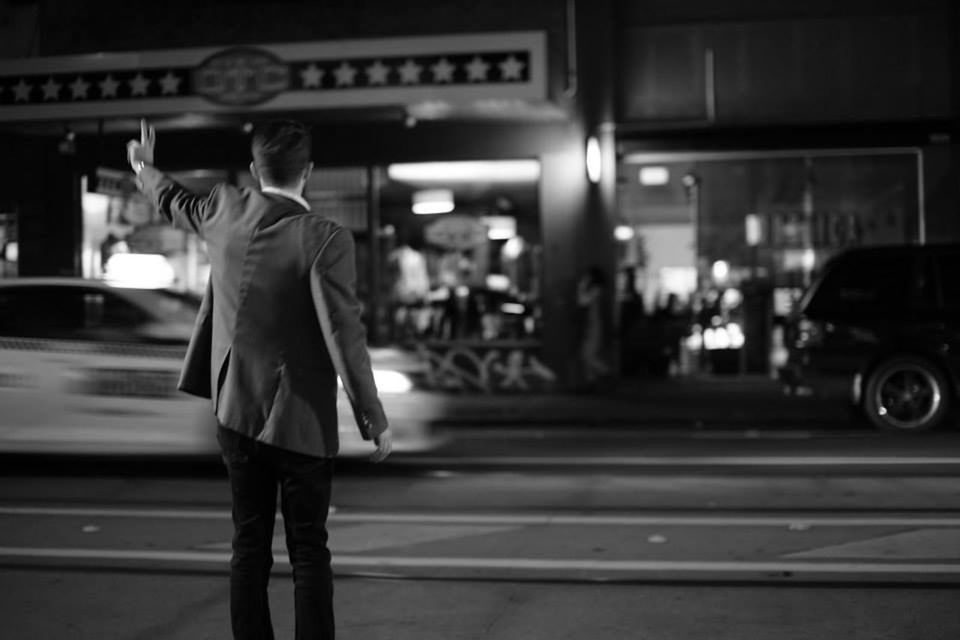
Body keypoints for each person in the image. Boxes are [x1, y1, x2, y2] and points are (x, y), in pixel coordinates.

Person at [127, 119, 391, 640]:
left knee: (248, 545)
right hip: (301, 424)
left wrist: (142, 165)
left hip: (234, 412)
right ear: (309, 173)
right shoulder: (324, 238)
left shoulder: (224, 209)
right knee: (309, 550)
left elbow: (173, 199)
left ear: (255, 170)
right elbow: (344, 334)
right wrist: (372, 418)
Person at [576, 265, 611, 388]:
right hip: (591, 325)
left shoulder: (596, 289)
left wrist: (581, 286)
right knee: (585, 354)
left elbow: (582, 301)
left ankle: (606, 373)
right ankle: (591, 382)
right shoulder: (597, 290)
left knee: (588, 355)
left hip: (594, 325)